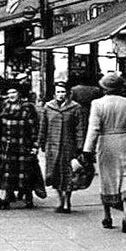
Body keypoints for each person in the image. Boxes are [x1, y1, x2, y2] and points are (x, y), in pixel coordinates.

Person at [83, 71, 126, 233]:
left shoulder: (97, 104)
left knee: (108, 178)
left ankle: (107, 215)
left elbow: (93, 129)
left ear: (103, 88)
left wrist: (87, 150)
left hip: (106, 143)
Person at [38, 81, 85, 213]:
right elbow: (43, 127)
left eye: (63, 92)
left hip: (68, 147)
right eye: (58, 92)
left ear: (68, 93)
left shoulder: (75, 108)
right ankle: (60, 200)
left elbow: (79, 129)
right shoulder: (48, 107)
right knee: (54, 174)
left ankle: (67, 201)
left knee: (68, 174)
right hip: (52, 146)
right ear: (54, 94)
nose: (60, 95)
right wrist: (41, 142)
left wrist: (80, 147)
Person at [0, 85, 39, 210]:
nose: (11, 95)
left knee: (25, 173)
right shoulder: (3, 106)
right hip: (7, 145)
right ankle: (7, 198)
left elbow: (34, 127)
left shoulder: (27, 107)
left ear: (19, 93)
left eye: (13, 92)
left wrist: (35, 145)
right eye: (9, 92)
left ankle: (28, 199)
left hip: (23, 144)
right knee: (7, 173)